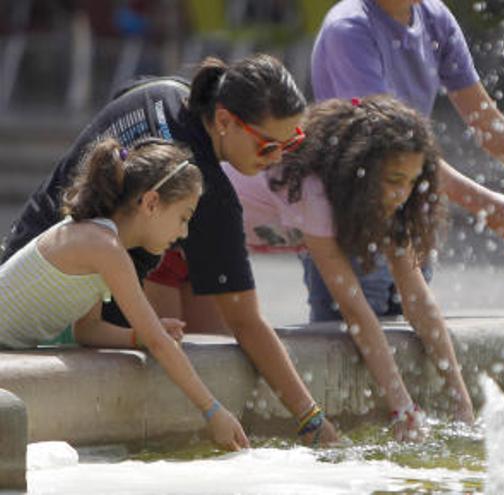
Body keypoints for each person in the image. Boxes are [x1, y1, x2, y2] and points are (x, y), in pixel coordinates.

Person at [0, 54, 338, 446]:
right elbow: (245, 322)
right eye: (267, 146)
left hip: (24, 251)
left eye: (290, 144)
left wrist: (140, 336)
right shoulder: (201, 196)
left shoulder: (163, 92)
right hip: (47, 312)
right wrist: (308, 418)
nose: (277, 158)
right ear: (225, 121)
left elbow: (90, 327)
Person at [307, 0, 504, 321]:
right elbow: (391, 151)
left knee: (414, 353)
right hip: (351, 226)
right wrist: (487, 204)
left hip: (409, 220)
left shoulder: (434, 18)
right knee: (354, 360)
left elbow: (489, 126)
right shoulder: (350, 29)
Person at [224, 95, 474, 441]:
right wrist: (402, 407)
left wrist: (463, 405)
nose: (403, 193)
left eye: (412, 182)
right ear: (361, 170)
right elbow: (355, 309)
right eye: (393, 180)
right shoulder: (316, 193)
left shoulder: (389, 200)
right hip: (192, 232)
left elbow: (418, 299)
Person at [0, 137, 249, 451]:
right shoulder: (104, 246)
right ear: (151, 203)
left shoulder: (103, 243)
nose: (183, 233)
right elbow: (160, 344)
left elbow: (87, 330)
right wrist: (213, 411)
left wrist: (137, 338)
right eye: (183, 217)